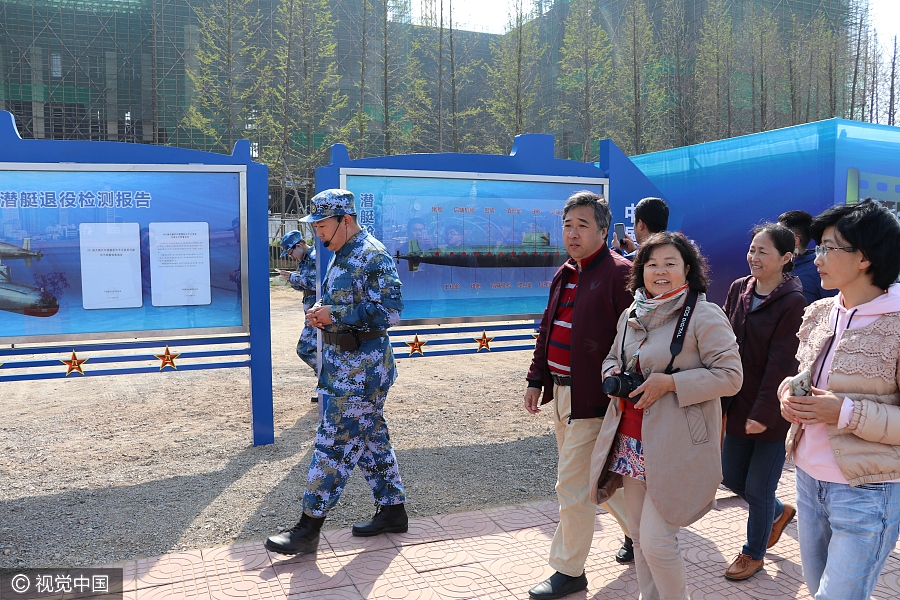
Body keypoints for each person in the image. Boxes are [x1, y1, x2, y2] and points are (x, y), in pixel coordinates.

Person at [590, 232, 743, 600]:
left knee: (658, 540)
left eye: (670, 263)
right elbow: (612, 358)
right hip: (631, 440)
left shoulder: (704, 314)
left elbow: (732, 377)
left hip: (676, 444)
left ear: (687, 269)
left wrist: (670, 384)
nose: (660, 271)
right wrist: (611, 374)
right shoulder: (632, 312)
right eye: (652, 264)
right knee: (641, 537)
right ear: (640, 271)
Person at [265, 189, 408, 556]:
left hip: (362, 373)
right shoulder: (341, 254)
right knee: (372, 441)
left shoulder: (371, 254)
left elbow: (391, 312)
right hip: (344, 368)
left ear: (346, 220)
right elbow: (347, 303)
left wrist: (336, 316)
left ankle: (308, 527)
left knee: (332, 445)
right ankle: (393, 511)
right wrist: (322, 311)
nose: (319, 235)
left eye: (323, 227)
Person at [779, 199, 900, 600]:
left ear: (865, 257)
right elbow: (805, 379)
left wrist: (844, 412)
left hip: (867, 490)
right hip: (807, 480)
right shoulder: (819, 313)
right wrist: (788, 395)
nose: (816, 258)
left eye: (830, 248)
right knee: (819, 591)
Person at [524, 191, 635, 600]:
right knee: (595, 482)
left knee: (570, 487)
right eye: (567, 224)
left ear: (604, 231)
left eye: (582, 225)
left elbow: (635, 342)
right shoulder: (565, 272)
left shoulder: (621, 274)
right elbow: (548, 329)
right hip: (564, 396)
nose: (572, 233)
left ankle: (569, 570)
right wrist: (537, 380)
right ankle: (643, 536)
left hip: (596, 402)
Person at [720, 223, 806, 581]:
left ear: (787, 258)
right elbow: (722, 340)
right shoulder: (740, 288)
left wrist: (764, 414)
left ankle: (753, 553)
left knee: (758, 487)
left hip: (772, 411)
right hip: (737, 403)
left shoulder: (794, 302)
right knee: (730, 476)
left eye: (763, 252)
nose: (753, 257)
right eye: (752, 249)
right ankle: (779, 511)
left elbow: (782, 364)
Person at [277, 230, 318, 374]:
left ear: (299, 245)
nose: (291, 256)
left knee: (304, 349)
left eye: (291, 252)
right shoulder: (305, 260)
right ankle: (325, 386)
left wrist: (293, 277)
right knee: (317, 349)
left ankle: (329, 378)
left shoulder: (314, 258)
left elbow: (315, 283)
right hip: (311, 310)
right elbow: (304, 285)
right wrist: (291, 279)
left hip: (318, 311)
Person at [777, 210, 838, 304]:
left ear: (795, 241)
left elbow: (833, 306)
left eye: (776, 235)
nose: (771, 239)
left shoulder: (820, 269)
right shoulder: (774, 266)